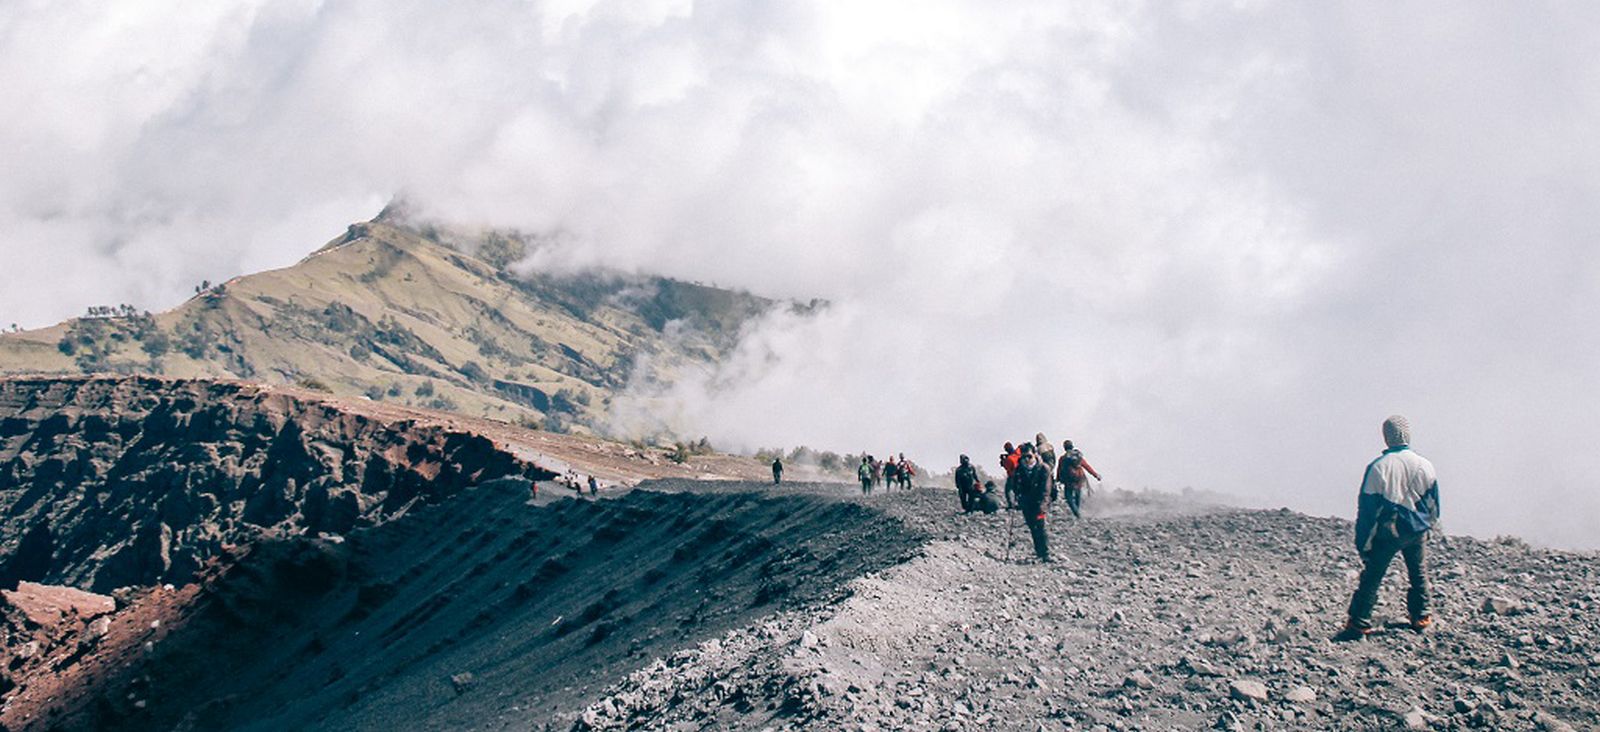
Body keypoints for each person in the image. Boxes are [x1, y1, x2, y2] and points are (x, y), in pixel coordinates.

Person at [1339, 415, 1441, 640]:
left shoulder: (1378, 467)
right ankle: (1421, 617)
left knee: (1373, 576)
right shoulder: (1426, 465)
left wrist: (1362, 543)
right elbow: (1434, 504)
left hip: (1388, 531)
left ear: (1386, 437)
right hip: (1417, 529)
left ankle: (1359, 623)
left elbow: (1367, 510)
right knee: (1418, 573)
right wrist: (1429, 526)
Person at [1014, 443, 1053, 562]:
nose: (1026, 459)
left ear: (1035, 455)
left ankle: (1045, 554)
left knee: (1041, 526)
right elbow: (1014, 485)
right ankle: (1038, 552)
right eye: (1024, 457)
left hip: (1040, 501)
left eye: (1029, 456)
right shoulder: (1019, 469)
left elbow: (1046, 490)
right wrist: (1017, 498)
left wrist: (1042, 507)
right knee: (1032, 527)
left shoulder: (1043, 468)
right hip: (1027, 503)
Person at [1056, 439, 1102, 519]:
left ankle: (1076, 513)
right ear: (1072, 446)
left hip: (1069, 480)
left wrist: (1058, 479)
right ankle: (1077, 512)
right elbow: (1087, 466)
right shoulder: (1078, 456)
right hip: (1080, 478)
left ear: (1064, 448)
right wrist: (1096, 475)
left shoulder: (1063, 458)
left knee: (1068, 496)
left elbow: (1059, 469)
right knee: (1077, 495)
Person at [999, 442, 1021, 508]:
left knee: (1008, 490)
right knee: (1018, 490)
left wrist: (1003, 461)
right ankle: (1019, 504)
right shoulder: (1018, 453)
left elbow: (1007, 467)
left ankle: (1011, 505)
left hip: (1013, 476)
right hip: (1021, 475)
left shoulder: (1009, 459)